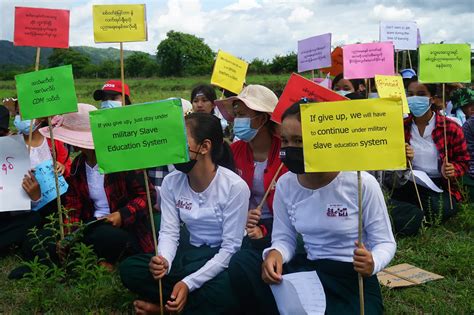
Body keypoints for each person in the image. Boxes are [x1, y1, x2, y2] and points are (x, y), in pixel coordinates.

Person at [230, 101, 396, 314]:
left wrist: (373, 262)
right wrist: (276, 254)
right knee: (243, 263)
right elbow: (284, 238)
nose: (290, 148)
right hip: (308, 272)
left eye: (299, 141)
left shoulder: (360, 183)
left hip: (353, 278)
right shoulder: (286, 184)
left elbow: (385, 242)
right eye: (286, 141)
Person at [119, 113, 250, 314]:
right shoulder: (172, 182)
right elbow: (170, 232)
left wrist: (188, 283)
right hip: (191, 253)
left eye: (181, 142)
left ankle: (165, 307)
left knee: (227, 291)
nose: (172, 149)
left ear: (204, 147)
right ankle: (187, 303)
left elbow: (230, 248)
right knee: (131, 268)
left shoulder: (235, 187)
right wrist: (164, 261)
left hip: (224, 259)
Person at [11, 104, 156, 278]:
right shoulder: (79, 166)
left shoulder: (122, 161)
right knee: (38, 239)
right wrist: (68, 234)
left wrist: (121, 214)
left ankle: (78, 262)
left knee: (105, 235)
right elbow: (73, 203)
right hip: (89, 224)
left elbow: (147, 196)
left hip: (122, 228)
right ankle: (75, 262)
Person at [216, 84, 287, 249]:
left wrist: (264, 228)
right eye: (236, 115)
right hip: (241, 225)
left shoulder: (286, 153)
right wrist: (241, 216)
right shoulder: (233, 151)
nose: (237, 121)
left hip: (281, 227)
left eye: (242, 115)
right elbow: (222, 196)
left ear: (262, 119)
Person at [391, 78, 469, 226]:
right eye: (410, 94)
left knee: (440, 208)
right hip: (410, 183)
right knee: (389, 201)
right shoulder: (400, 127)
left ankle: (416, 216)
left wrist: (453, 169)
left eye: (421, 94)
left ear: (432, 99)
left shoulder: (450, 128)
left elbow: (463, 161)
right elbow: (391, 165)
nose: (414, 98)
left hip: (440, 185)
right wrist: (402, 158)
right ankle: (414, 214)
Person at [0, 105, 41, 255]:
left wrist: (34, 195)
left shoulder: (15, 156)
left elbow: (19, 207)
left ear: (7, 134)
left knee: (34, 218)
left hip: (5, 220)